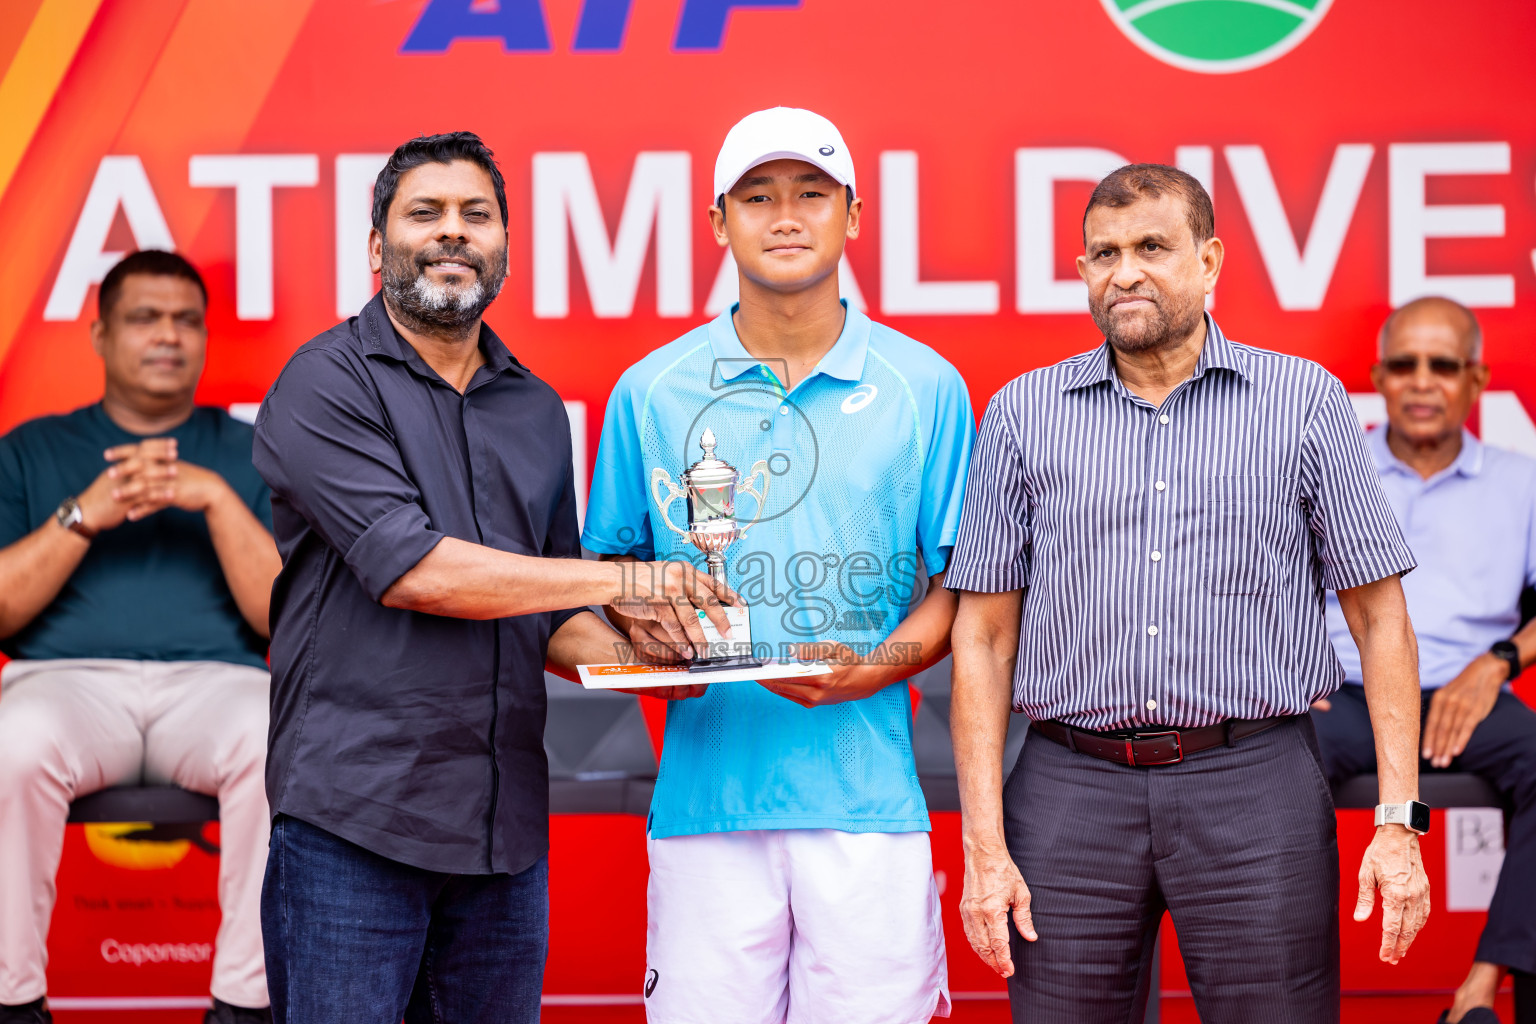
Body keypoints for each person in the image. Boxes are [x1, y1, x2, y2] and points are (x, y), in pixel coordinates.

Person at [251, 131, 734, 1024]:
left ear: (505, 246)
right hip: (355, 822)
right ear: (375, 247)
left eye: (476, 215)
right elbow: (417, 573)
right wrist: (631, 587)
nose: (453, 233)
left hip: (502, 833)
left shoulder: (536, 409)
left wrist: (671, 664)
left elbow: (544, 617)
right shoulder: (323, 385)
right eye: (424, 213)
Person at [945, 164, 1432, 1024]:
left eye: (1151, 248)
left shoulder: (1301, 402)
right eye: (1103, 253)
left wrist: (1398, 821)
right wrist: (983, 843)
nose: (1123, 272)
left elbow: (1378, 616)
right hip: (1068, 789)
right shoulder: (1022, 413)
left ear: (1209, 262)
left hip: (1255, 782)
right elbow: (981, 638)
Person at [583, 107, 974, 1024]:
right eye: (757, 197)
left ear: (854, 214)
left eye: (811, 193)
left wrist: (868, 669)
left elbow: (960, 594)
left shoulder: (926, 387)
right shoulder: (650, 390)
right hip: (705, 804)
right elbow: (607, 583)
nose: (786, 216)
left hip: (868, 804)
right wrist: (645, 635)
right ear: (719, 221)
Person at [0, 250, 281, 1024]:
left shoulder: (252, 452)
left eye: (187, 320)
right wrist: (84, 511)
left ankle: (243, 1005)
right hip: (64, 686)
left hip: (216, 686)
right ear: (98, 335)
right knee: (12, 744)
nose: (169, 336)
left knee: (280, 738)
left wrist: (218, 501)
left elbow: (279, 620)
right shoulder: (31, 449)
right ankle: (12, 1000)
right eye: (145, 318)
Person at [1313, 297, 1536, 1024]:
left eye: (1443, 366)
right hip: (1342, 692)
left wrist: (1499, 660)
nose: (1421, 381)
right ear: (1377, 376)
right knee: (1268, 772)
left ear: (1477, 379)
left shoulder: (1521, 481)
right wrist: (1293, 669)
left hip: (1465, 695)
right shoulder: (1333, 468)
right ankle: (1296, 999)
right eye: (1404, 365)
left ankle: (1480, 988)